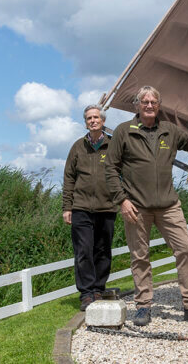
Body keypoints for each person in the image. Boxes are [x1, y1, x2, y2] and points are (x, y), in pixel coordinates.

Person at [105, 85, 188, 326]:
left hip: (168, 205)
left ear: (159, 105)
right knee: (140, 256)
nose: (150, 105)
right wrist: (122, 200)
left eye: (154, 101)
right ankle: (143, 307)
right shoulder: (124, 131)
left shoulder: (169, 130)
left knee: (185, 249)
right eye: (145, 102)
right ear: (137, 105)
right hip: (136, 207)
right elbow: (110, 169)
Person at [62, 104, 118, 311]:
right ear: (85, 122)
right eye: (89, 118)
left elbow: (124, 172)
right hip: (81, 208)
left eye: (96, 117)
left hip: (107, 206)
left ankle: (98, 289)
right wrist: (67, 207)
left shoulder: (113, 145)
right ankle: (86, 293)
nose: (93, 121)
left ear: (103, 121)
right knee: (83, 251)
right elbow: (69, 178)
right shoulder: (78, 147)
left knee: (103, 250)